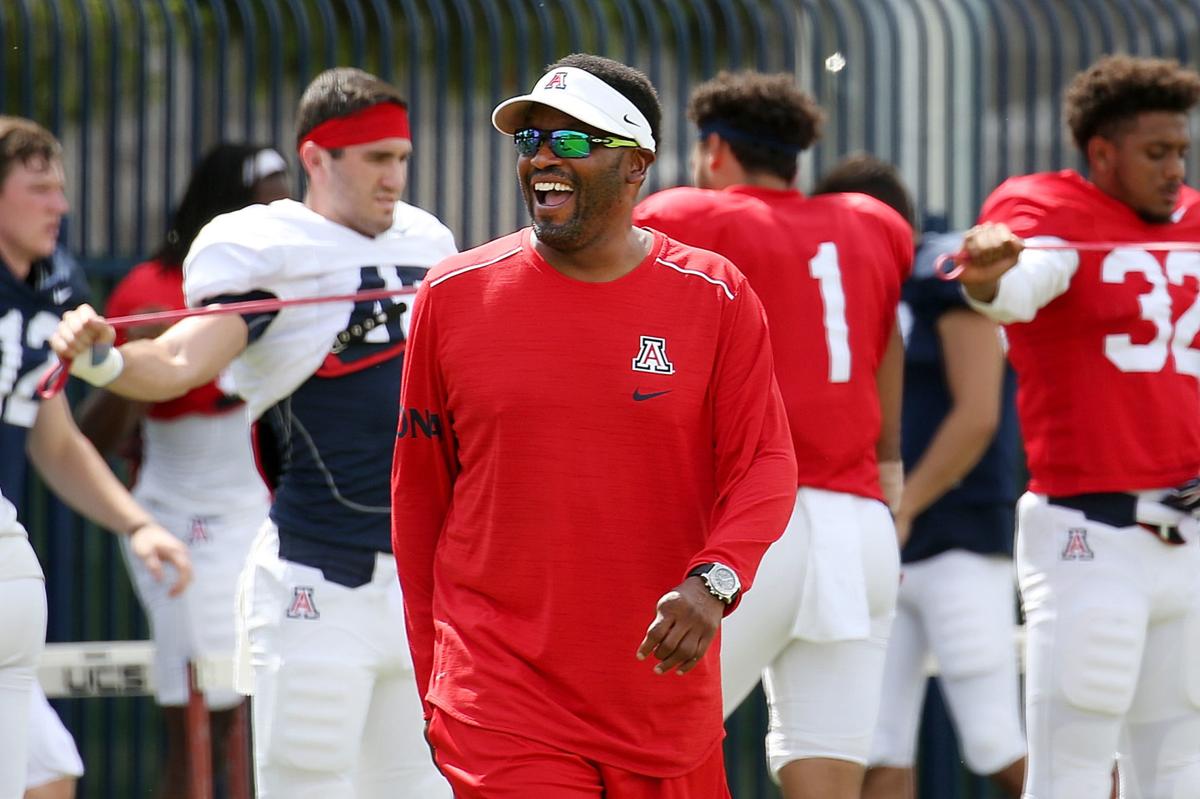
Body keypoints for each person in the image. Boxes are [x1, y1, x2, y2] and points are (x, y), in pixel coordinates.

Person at [391, 53, 798, 798]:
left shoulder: (716, 296)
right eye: (531, 141)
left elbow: (766, 462)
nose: (544, 157)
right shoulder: (451, 297)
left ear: (636, 164)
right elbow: (419, 502)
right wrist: (437, 678)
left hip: (659, 705)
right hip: (500, 700)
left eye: (572, 141)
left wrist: (715, 581)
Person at [48, 69, 457, 798]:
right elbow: (178, 360)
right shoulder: (272, 249)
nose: (395, 176)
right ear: (316, 159)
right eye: (375, 158)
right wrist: (105, 356)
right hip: (315, 580)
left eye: (402, 156)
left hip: (420, 587)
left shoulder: (429, 242)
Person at [633, 73, 913, 799]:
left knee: (636, 748)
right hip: (860, 527)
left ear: (715, 149)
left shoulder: (687, 214)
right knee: (825, 773)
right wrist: (890, 480)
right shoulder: (870, 223)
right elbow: (885, 353)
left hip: (752, 526)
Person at [952, 54, 1200, 798]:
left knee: (1182, 769)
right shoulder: (1052, 211)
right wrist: (990, 273)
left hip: (1188, 533)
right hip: (1090, 537)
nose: (1174, 169)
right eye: (1156, 153)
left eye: (1181, 151)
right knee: (1073, 768)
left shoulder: (1193, 216)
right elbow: (1019, 291)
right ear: (1101, 153)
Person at [74, 143, 289, 799]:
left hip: (254, 507)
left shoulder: (292, 285)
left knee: (252, 704)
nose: (284, 208)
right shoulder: (152, 289)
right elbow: (96, 435)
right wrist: (130, 364)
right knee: (192, 705)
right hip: (174, 508)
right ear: (229, 202)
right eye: (269, 193)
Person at [810, 155, 1027, 798]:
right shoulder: (859, 284)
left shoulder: (939, 273)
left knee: (995, 741)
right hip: (879, 539)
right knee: (876, 746)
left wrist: (903, 506)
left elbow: (978, 413)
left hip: (954, 531)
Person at [0, 116, 191, 799]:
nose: (62, 205)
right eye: (41, 188)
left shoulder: (56, 284)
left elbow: (52, 438)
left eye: (62, 188)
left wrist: (138, 523)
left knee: (49, 774)